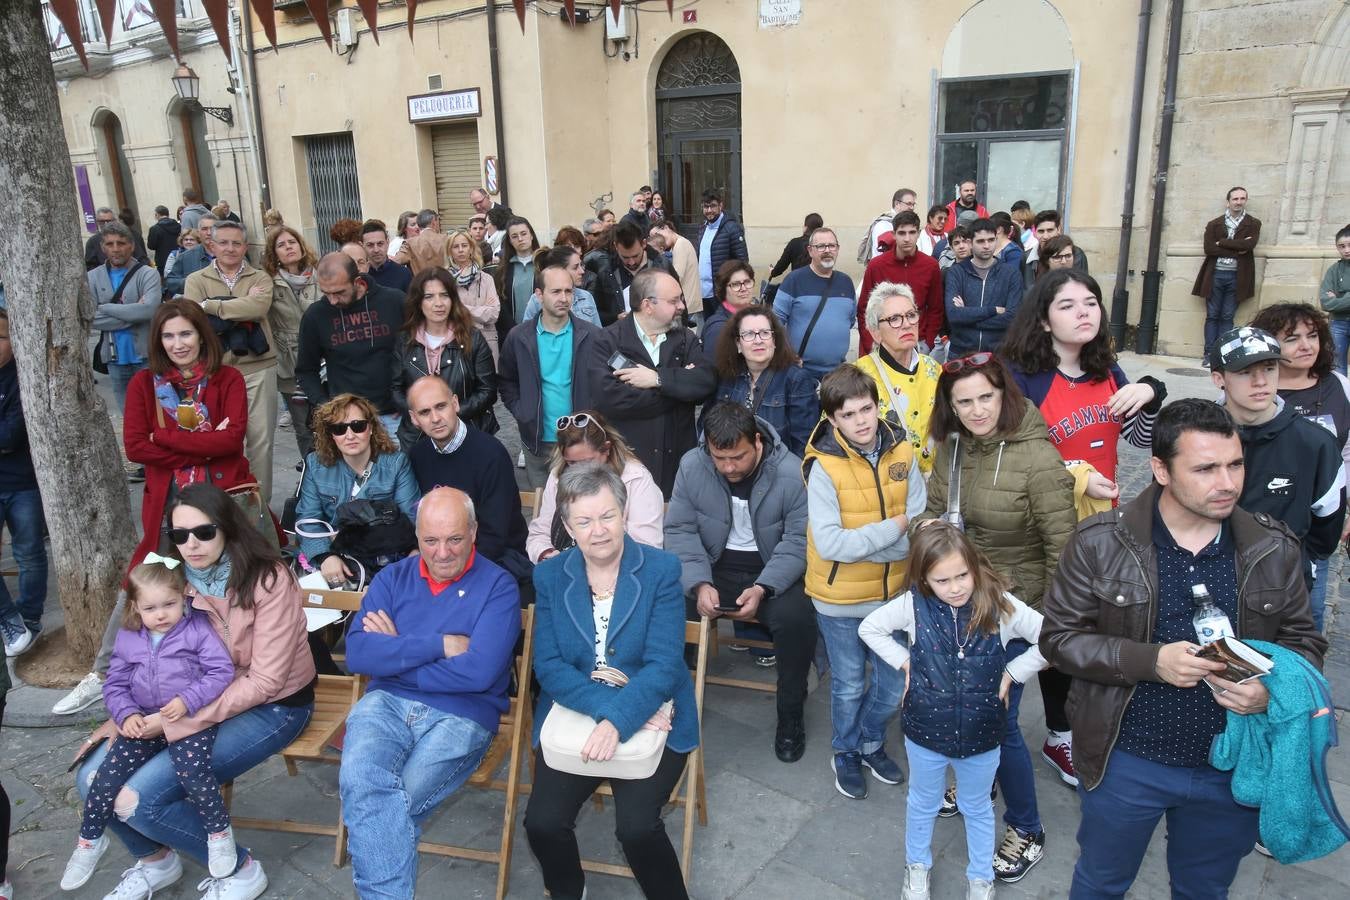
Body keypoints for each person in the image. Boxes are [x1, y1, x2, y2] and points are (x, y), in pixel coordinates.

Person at [1039, 398, 1327, 898]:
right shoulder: (1098, 542)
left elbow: (1302, 642)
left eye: (1235, 464)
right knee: (1101, 883)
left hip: (1231, 765)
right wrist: (1151, 661)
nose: (1228, 483)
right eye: (1205, 468)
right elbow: (1059, 640)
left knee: (1203, 890)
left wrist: (1269, 694)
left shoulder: (1273, 547)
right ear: (1161, 470)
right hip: (1126, 760)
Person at [75, 483, 316, 900]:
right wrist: (124, 715)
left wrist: (172, 721)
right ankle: (155, 861)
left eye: (204, 532)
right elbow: (133, 656)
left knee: (137, 799)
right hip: (184, 703)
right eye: (180, 535)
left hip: (273, 707)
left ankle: (241, 870)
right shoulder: (169, 578)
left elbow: (265, 681)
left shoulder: (269, 578)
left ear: (227, 528)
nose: (191, 544)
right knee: (90, 778)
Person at [918, 351, 1076, 883]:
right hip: (961, 604)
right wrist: (925, 531)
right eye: (964, 401)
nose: (976, 410)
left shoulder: (1038, 459)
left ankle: (1027, 828)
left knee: (1000, 721)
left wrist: (1048, 632)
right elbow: (934, 508)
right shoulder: (953, 447)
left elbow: (1064, 550)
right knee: (962, 703)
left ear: (1004, 394)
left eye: (985, 396)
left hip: (1015, 607)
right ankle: (975, 781)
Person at [524, 464, 697, 900]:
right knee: (541, 823)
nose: (598, 531)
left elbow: (663, 665)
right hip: (580, 712)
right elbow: (548, 665)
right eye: (583, 521)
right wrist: (612, 714)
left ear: (624, 514)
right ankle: (568, 891)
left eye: (607, 516)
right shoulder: (549, 576)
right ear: (566, 526)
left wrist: (623, 718)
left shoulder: (660, 570)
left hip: (656, 711)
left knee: (637, 830)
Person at [338, 486, 520, 898]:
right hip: (384, 705)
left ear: (473, 532)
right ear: (416, 537)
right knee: (363, 780)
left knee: (376, 804)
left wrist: (398, 650)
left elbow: (478, 673)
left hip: (462, 715)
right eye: (430, 541)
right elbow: (360, 654)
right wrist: (437, 645)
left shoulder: (498, 586)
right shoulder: (391, 578)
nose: (442, 553)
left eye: (454, 538)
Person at [860, 523, 1049, 900]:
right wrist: (906, 662)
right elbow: (871, 628)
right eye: (942, 580)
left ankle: (980, 877)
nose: (956, 587)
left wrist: (1014, 671)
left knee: (977, 806)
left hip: (982, 732)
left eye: (962, 575)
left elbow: (1053, 637)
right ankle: (917, 867)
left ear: (975, 567)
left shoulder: (1001, 604)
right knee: (922, 802)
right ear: (925, 580)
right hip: (925, 730)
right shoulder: (912, 605)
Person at [61, 558, 238, 891]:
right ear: (135, 608)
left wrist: (188, 699)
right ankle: (89, 841)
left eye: (169, 604)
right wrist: (126, 714)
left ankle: (218, 832)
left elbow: (221, 672)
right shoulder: (130, 636)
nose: (161, 614)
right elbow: (114, 683)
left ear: (185, 595)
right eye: (151, 608)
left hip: (187, 720)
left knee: (194, 772)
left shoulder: (197, 628)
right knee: (105, 777)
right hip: (142, 722)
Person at [666, 402, 815, 762]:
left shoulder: (791, 472)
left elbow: (798, 541)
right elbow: (680, 530)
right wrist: (700, 583)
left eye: (738, 457)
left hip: (770, 569)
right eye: (720, 458)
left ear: (758, 442)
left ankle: (790, 715)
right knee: (666, 607)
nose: (729, 467)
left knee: (797, 620)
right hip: (713, 568)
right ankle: (668, 704)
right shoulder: (693, 465)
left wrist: (764, 587)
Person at [803, 364, 926, 800]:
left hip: (892, 594)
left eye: (866, 409)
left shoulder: (902, 452)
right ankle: (846, 751)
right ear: (832, 420)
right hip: (839, 599)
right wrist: (895, 532)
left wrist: (887, 539)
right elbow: (833, 544)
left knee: (893, 684)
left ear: (878, 406)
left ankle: (871, 740)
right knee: (850, 682)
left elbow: (917, 518)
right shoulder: (824, 468)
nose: (861, 421)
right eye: (849, 414)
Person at [1209, 325, 1345, 611]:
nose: (1260, 381)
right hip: (1204, 588)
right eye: (1246, 372)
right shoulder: (1195, 435)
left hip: (1280, 594)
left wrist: (1295, 561)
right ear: (1219, 378)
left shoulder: (1315, 443)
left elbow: (1326, 527)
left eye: (1269, 369)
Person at [1003, 270, 1166, 487]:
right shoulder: (1021, 376)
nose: (1083, 313)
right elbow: (1008, 455)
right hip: (1047, 510)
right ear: (1044, 321)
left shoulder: (1106, 368)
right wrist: (1078, 477)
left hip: (1102, 512)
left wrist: (1151, 394)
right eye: (1067, 306)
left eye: (1091, 303)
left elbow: (1138, 438)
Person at [1251, 302, 1350, 631]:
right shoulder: (1257, 387)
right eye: (1292, 338)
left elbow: (1347, 449)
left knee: (1309, 615)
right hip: (1262, 523)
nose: (1306, 345)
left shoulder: (1339, 385)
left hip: (1315, 525)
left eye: (1313, 335)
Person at [587, 270, 716, 499]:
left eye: (681, 299)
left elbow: (705, 382)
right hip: (627, 464)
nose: (682, 306)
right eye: (674, 300)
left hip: (677, 466)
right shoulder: (605, 341)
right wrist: (677, 388)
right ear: (648, 305)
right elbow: (609, 400)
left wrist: (657, 379)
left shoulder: (686, 338)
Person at [183, 220, 280, 503]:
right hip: (215, 371)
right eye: (223, 242)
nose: (230, 248)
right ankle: (222, 508)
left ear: (245, 247)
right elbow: (196, 318)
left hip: (258, 368)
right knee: (218, 441)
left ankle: (259, 511)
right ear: (210, 245)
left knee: (260, 443)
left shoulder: (260, 278)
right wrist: (240, 306)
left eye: (236, 243)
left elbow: (258, 307)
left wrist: (212, 305)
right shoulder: (196, 280)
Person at [404, 377, 529, 570]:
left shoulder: (491, 454)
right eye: (425, 412)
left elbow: (495, 535)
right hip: (441, 560)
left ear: (455, 404)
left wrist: (452, 573)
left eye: (441, 406)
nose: (435, 418)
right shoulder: (417, 455)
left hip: (496, 561)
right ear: (414, 418)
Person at [295, 393, 419, 584]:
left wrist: (344, 538)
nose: (350, 435)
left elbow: (412, 519)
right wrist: (325, 557)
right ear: (331, 435)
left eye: (358, 426)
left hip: (387, 560)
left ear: (370, 428)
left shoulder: (396, 464)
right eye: (339, 429)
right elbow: (308, 520)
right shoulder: (315, 465)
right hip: (336, 560)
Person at [501, 264, 602, 488]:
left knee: (583, 504)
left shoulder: (593, 336)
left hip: (581, 439)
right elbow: (507, 381)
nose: (564, 298)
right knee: (542, 512)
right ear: (539, 295)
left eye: (569, 291)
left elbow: (606, 381)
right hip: (538, 439)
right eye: (556, 291)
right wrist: (523, 412)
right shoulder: (518, 337)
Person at [295, 252, 404, 443]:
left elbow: (416, 352)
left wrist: (407, 399)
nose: (333, 301)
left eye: (339, 292)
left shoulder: (394, 301)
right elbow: (305, 370)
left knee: (397, 472)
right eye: (326, 293)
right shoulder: (316, 315)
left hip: (393, 416)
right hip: (346, 422)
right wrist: (327, 408)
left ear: (358, 282)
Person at [527, 411, 663, 562]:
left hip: (621, 573)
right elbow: (540, 532)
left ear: (606, 449)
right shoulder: (558, 475)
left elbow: (648, 546)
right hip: (563, 566)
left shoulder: (636, 479)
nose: (579, 470)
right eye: (571, 463)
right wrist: (545, 553)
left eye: (586, 461)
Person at [390, 266, 498, 449]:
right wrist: (422, 416)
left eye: (444, 295)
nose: (438, 303)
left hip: (467, 433)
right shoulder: (405, 340)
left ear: (453, 299)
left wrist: (450, 415)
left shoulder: (472, 338)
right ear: (418, 302)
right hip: (418, 439)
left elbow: (487, 390)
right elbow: (395, 388)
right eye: (429, 297)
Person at [854, 282, 943, 475]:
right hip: (882, 486)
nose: (906, 324)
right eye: (894, 319)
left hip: (935, 487)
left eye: (911, 315)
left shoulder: (934, 370)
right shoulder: (858, 377)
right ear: (875, 332)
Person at [0, 309, 48, 658]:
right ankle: (8, 618)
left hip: (23, 482)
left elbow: (11, 434)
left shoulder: (23, 378)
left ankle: (30, 619)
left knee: (29, 553)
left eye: (1, 338)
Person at [710, 305, 819, 456]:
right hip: (732, 466)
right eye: (748, 334)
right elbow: (709, 429)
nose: (758, 340)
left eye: (764, 333)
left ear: (774, 340)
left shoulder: (796, 380)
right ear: (738, 344)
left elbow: (804, 446)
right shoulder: (727, 377)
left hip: (778, 471)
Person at [89, 221, 164, 411]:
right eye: (110, 244)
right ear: (102, 247)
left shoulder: (147, 274)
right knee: (128, 415)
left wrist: (104, 307)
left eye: (121, 243)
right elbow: (90, 318)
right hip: (115, 359)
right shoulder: (93, 277)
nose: (116, 249)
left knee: (155, 410)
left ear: (131, 245)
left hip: (146, 357)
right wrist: (133, 313)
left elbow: (149, 310)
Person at [263, 225, 320, 456]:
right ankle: (310, 478)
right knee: (303, 427)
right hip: (289, 363)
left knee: (328, 420)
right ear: (274, 253)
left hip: (321, 360)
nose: (288, 248)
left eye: (292, 242)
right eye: (281, 245)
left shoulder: (320, 274)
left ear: (301, 245)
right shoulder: (268, 282)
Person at [772, 227, 857, 380]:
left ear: (837, 249)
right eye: (821, 246)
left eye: (832, 246)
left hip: (837, 373)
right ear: (810, 250)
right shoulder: (794, 280)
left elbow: (849, 321)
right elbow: (774, 323)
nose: (827, 250)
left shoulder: (846, 282)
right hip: (801, 371)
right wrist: (786, 355)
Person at [858, 210, 944, 354]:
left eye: (912, 232)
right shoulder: (876, 265)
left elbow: (936, 309)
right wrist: (871, 344)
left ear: (918, 233)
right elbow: (864, 309)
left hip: (917, 342)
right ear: (893, 235)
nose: (907, 238)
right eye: (902, 233)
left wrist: (928, 342)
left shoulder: (931, 266)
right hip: (882, 343)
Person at [1194, 187, 1262, 363]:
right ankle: (1209, 354)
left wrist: (1223, 243)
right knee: (1212, 315)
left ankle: (1222, 354)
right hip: (1216, 275)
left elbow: (1249, 246)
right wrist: (1237, 247)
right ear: (1228, 201)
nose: (1238, 202)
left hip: (1237, 277)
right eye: (1235, 199)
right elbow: (1209, 249)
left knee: (1227, 316)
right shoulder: (1214, 224)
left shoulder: (1253, 223)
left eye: (1242, 198)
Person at [943, 218, 1022, 355]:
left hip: (997, 354)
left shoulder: (1011, 273)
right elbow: (954, 316)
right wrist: (993, 310)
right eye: (980, 241)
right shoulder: (956, 272)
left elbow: (1012, 318)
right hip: (961, 353)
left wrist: (967, 317)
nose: (987, 246)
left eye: (991, 240)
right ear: (970, 243)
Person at [590, 220, 676, 327]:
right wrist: (616, 318)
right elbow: (596, 313)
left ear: (644, 244)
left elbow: (679, 306)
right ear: (616, 247)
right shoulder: (606, 272)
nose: (631, 262)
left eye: (635, 256)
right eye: (625, 257)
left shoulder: (662, 266)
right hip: (621, 338)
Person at [444, 227, 503, 361]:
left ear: (471, 248)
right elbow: (446, 313)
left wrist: (460, 308)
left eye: (464, 245)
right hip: (455, 338)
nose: (460, 250)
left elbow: (493, 314)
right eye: (455, 246)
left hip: (486, 338)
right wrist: (480, 313)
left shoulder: (486, 278)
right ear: (450, 251)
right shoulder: (444, 280)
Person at [696, 189, 749, 322]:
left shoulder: (731, 228)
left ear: (721, 206)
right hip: (705, 292)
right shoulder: (703, 228)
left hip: (722, 292)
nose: (709, 210)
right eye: (705, 206)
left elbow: (742, 262)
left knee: (725, 328)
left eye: (712, 206)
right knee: (710, 327)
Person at [520, 245, 603, 327]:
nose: (582, 271)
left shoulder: (586, 296)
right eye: (575, 267)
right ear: (559, 270)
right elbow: (526, 335)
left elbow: (598, 335)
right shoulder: (537, 300)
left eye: (581, 265)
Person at [701, 260, 760, 358]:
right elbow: (713, 369)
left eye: (747, 282)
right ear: (723, 289)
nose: (743, 288)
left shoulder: (758, 316)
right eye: (736, 284)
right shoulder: (718, 329)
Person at [494, 216, 541, 337]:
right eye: (514, 236)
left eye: (524, 234)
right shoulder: (502, 270)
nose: (520, 239)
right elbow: (500, 304)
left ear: (531, 235)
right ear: (510, 240)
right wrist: (514, 330)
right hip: (512, 332)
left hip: (542, 330)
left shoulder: (544, 264)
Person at [1021, 210, 1089, 287]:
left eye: (1050, 230)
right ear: (1035, 233)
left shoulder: (1075, 254)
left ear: (1059, 230)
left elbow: (1080, 286)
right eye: (1041, 231)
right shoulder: (1027, 257)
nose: (1045, 236)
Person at [646, 220, 701, 314]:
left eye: (656, 234)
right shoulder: (675, 246)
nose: (657, 239)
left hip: (687, 304)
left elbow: (677, 276)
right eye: (653, 237)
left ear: (666, 227)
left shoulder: (680, 244)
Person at [1318, 224, 1350, 374]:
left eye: (1349, 245)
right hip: (1338, 323)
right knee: (1337, 366)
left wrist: (1339, 298)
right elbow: (1325, 302)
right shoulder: (1334, 270)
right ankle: (1342, 396)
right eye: (1341, 246)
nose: (1346, 250)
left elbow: (1333, 301)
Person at [164, 215, 215, 297]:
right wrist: (191, 282)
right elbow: (171, 282)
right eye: (204, 229)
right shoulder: (185, 257)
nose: (209, 233)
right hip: (196, 305)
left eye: (212, 229)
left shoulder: (230, 255)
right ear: (199, 232)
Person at [861, 189, 918, 262]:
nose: (912, 208)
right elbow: (883, 254)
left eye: (913, 204)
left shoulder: (907, 223)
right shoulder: (884, 225)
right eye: (909, 204)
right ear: (897, 204)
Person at [361, 219, 412, 294]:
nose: (376, 250)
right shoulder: (359, 276)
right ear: (362, 246)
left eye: (380, 244)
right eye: (370, 245)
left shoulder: (403, 274)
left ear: (387, 242)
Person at [769, 212, 822, 280]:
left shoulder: (794, 243)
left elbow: (782, 264)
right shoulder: (824, 245)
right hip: (819, 284)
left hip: (798, 284)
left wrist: (773, 272)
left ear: (805, 227)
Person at [401, 209, 450, 275]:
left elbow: (396, 261)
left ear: (418, 225)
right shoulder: (447, 239)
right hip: (443, 283)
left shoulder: (409, 243)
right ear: (433, 222)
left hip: (420, 283)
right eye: (438, 221)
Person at [146, 206, 181, 273]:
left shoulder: (154, 229)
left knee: (165, 281)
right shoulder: (178, 225)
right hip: (177, 257)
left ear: (157, 215)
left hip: (162, 261)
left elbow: (151, 246)